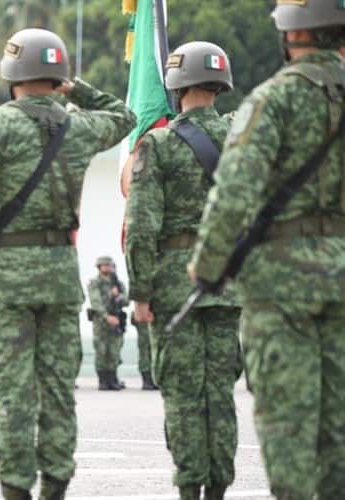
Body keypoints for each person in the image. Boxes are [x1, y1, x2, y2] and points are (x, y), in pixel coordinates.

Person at [0, 28, 135, 499]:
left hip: (3, 280)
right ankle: (55, 492)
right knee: (58, 395)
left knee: (11, 398)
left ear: (11, 75)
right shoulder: (79, 127)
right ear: (58, 77)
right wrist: (77, 90)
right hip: (60, 276)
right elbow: (123, 116)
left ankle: (17, 493)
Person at [188, 3, 345, 497]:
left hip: (281, 288)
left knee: (288, 434)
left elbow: (234, 191)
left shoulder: (273, 100)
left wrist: (207, 268)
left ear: (289, 35)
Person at [126, 41, 242, 500]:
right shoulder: (240, 136)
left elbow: (141, 225)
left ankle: (190, 490)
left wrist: (139, 292)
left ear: (175, 87)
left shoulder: (158, 145)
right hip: (226, 283)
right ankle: (218, 489)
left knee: (183, 398)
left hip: (175, 287)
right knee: (221, 396)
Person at [86, 256, 127, 391]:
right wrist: (106, 316)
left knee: (114, 350)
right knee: (101, 350)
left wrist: (118, 296)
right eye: (104, 265)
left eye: (109, 265)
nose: (108, 267)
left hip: (116, 320)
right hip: (101, 322)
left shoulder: (118, 283)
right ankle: (103, 381)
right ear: (99, 267)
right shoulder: (95, 283)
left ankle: (113, 379)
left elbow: (127, 300)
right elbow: (95, 301)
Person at [131, 313, 157, 391]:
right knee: (145, 352)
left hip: (150, 318)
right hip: (144, 318)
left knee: (150, 352)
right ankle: (147, 380)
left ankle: (152, 380)